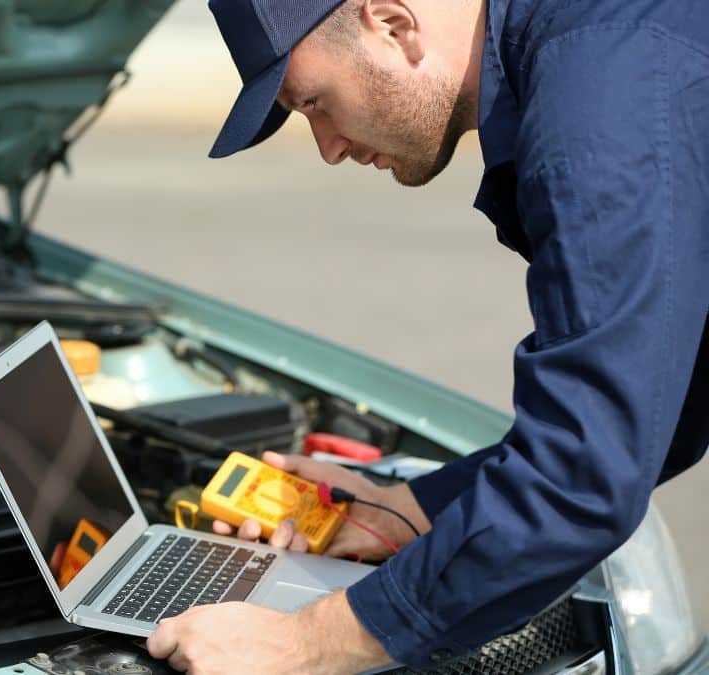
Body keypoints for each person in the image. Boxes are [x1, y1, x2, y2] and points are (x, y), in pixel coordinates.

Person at [147, 0, 709, 672]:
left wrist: (301, 644)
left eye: (314, 102)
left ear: (392, 23)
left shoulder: (599, 107)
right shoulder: (603, 39)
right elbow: (661, 409)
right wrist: (410, 507)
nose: (328, 148)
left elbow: (582, 476)